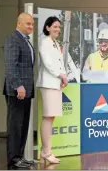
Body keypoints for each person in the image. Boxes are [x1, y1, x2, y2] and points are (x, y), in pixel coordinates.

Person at [3, 13, 35, 168]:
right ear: (19, 23)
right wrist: (18, 85)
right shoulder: (13, 39)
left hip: (26, 91)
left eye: (32, 24)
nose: (31, 26)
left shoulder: (25, 40)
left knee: (22, 125)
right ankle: (14, 160)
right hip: (17, 91)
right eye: (28, 24)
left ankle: (19, 157)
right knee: (15, 126)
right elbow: (10, 66)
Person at [36, 16, 68, 164]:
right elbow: (48, 63)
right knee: (48, 117)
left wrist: (63, 78)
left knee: (51, 117)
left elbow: (59, 63)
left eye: (59, 27)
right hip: (48, 83)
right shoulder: (44, 42)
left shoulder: (55, 43)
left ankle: (46, 151)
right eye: (55, 26)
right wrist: (60, 75)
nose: (58, 29)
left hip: (54, 83)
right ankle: (46, 152)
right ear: (47, 27)